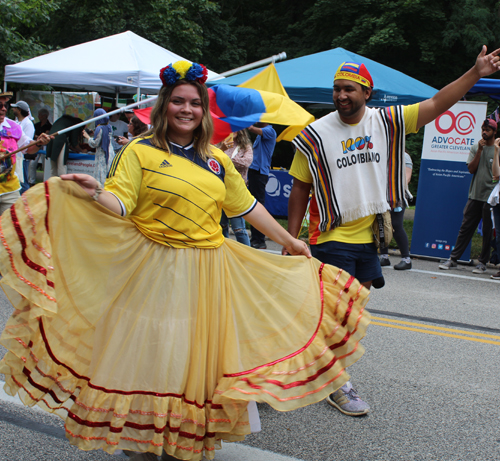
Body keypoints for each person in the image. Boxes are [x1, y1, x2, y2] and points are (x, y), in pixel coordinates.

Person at [0, 61, 370, 461]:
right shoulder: (138, 151)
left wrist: (290, 241)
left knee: (192, 359)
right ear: (164, 105)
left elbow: (246, 207)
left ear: (203, 110)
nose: (187, 109)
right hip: (152, 270)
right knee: (154, 353)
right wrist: (93, 193)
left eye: (194, 103)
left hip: (208, 272)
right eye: (178, 101)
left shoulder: (216, 159)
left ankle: (180, 439)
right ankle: (142, 439)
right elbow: (120, 203)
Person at [286, 47, 500, 416]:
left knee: (349, 315)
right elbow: (300, 187)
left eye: (349, 89)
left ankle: (301, 369)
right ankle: (336, 383)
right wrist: (292, 239)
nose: (341, 95)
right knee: (335, 315)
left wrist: (475, 73)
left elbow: (436, 103)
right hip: (330, 235)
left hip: (369, 235)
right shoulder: (315, 135)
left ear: (367, 93)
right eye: (337, 88)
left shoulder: (386, 121)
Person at [439, 118, 497, 273]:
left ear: (495, 132)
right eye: (483, 129)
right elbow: (471, 169)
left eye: (488, 130)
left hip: (491, 197)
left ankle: (482, 262)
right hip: (475, 195)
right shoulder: (475, 147)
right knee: (465, 228)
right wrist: (479, 150)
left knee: (487, 231)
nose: (484, 132)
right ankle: (453, 259)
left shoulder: (498, 149)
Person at [0, 92, 50, 214]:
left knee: (12, 228)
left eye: (4, 105)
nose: (3, 109)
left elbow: (28, 148)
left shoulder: (13, 126)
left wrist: (38, 143)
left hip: (10, 189)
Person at [218, 130, 254, 245]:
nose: (231, 131)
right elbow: (211, 159)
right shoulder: (220, 144)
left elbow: (246, 162)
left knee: (238, 228)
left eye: (234, 128)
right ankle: (224, 253)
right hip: (221, 188)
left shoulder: (245, 146)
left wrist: (226, 160)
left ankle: (246, 255)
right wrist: (222, 149)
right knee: (222, 226)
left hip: (238, 190)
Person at [380, 150, 413, 270]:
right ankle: (384, 257)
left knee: (396, 225)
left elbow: (407, 177)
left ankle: (406, 259)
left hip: (397, 195)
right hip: (382, 195)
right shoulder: (381, 153)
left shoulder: (404, 156)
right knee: (381, 224)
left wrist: (396, 193)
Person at [247, 123, 276, 249]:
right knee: (254, 204)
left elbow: (251, 128)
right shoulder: (263, 133)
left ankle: (260, 239)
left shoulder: (270, 131)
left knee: (257, 206)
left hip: (259, 172)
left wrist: (246, 121)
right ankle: (256, 238)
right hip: (255, 171)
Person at [82, 108, 115, 185]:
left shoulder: (99, 128)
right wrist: (94, 134)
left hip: (102, 154)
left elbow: (95, 143)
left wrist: (87, 137)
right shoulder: (109, 126)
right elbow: (103, 137)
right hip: (110, 152)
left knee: (101, 176)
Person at [11, 100, 35, 193]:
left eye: (15, 108)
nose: (13, 109)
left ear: (19, 110)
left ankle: (26, 203)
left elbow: (27, 142)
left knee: (23, 182)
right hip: (16, 157)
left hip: (23, 157)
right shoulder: (17, 122)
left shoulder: (28, 124)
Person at [27, 108, 53, 188]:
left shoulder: (49, 126)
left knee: (45, 165)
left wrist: (38, 137)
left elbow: (46, 135)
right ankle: (32, 181)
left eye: (40, 115)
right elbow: (34, 135)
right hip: (36, 145)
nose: (38, 116)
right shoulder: (36, 125)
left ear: (45, 116)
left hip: (45, 147)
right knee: (32, 164)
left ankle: (45, 181)